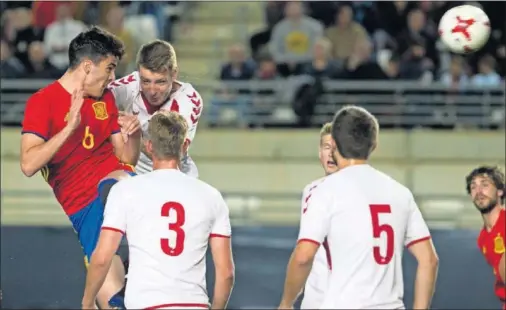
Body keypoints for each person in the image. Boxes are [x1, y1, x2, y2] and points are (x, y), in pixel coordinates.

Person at [20, 26, 141, 309]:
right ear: (88, 66)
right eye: (110, 68)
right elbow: (28, 165)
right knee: (112, 302)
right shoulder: (43, 102)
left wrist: (134, 134)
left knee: (116, 184)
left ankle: (140, 243)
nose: (113, 77)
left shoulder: (105, 97)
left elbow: (127, 159)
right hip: (85, 212)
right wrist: (68, 129)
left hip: (118, 186)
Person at [279, 105, 439, 309]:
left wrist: (285, 303)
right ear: (374, 144)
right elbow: (429, 260)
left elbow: (303, 257)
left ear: (335, 144)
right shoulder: (400, 193)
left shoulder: (324, 190)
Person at [82, 111, 235, 310]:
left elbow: (102, 258)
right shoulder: (211, 196)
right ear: (185, 146)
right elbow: (226, 273)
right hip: (194, 304)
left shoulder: (125, 190)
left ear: (149, 146)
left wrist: (87, 303)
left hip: (146, 303)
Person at [108, 39, 204, 177]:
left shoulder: (188, 101)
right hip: (135, 174)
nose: (152, 91)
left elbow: (167, 152)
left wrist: (134, 135)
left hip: (174, 175)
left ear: (174, 74)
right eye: (145, 81)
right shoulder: (127, 86)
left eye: (160, 82)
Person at [300, 122, 338, 309]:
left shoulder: (360, 192)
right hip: (316, 299)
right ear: (319, 152)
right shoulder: (310, 190)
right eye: (326, 147)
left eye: (336, 148)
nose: (331, 153)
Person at [465, 166, 505, 309]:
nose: (479, 191)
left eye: (485, 184)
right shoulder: (482, 238)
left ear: (500, 191)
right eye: (473, 187)